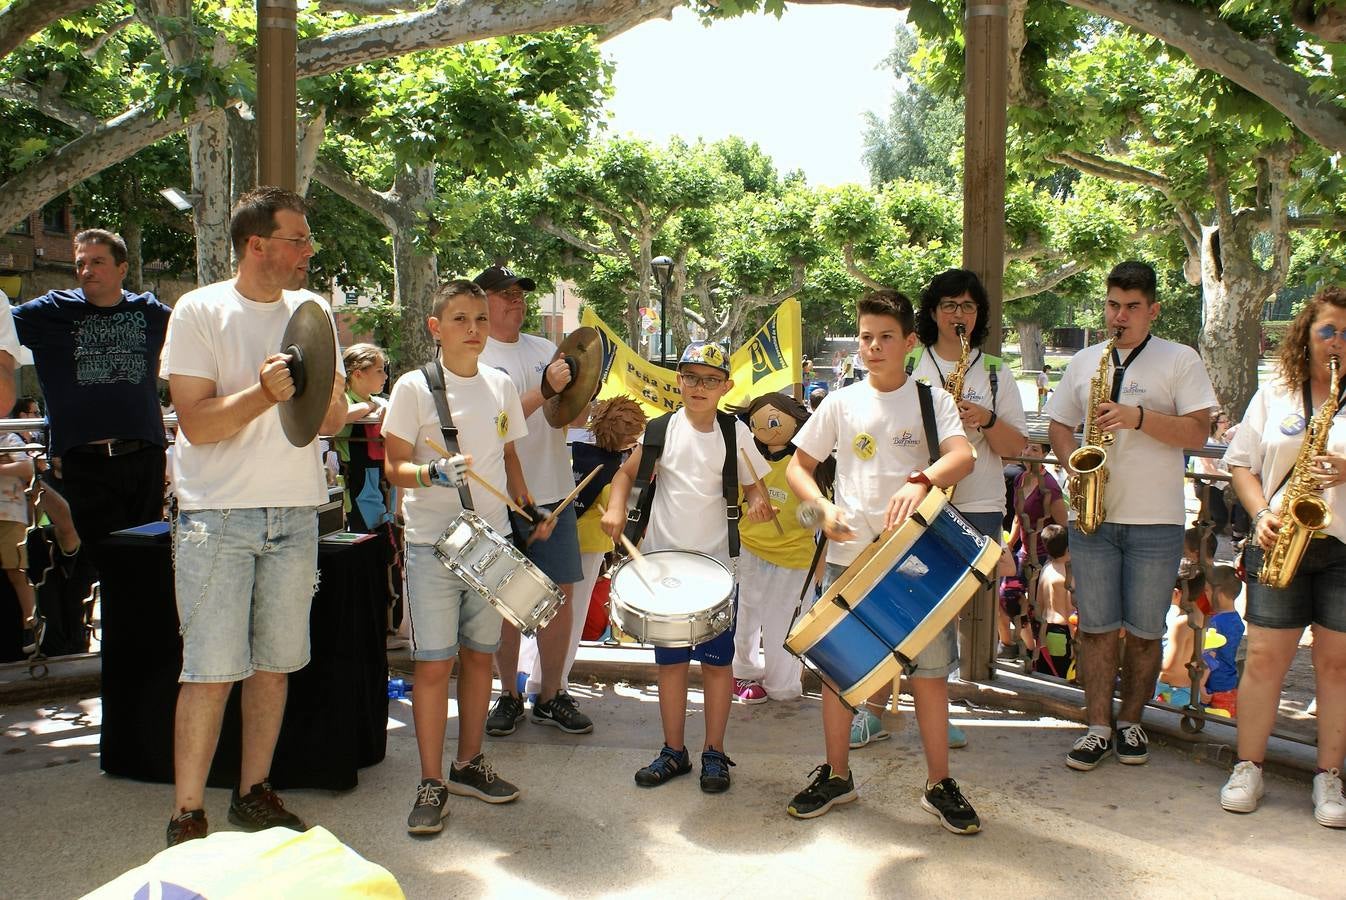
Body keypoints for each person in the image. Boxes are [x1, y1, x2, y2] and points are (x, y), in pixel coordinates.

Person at [162, 187, 348, 847]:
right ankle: (188, 814)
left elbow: (331, 419)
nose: (307, 251)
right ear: (257, 244)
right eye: (298, 239)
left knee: (274, 665)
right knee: (210, 669)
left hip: (296, 514)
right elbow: (198, 423)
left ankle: (253, 793)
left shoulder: (312, 310)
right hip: (218, 517)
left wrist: (322, 396)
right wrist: (261, 394)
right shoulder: (199, 309)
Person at [783, 288, 981, 833]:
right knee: (837, 672)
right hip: (849, 558)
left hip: (918, 561)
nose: (873, 347)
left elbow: (961, 457)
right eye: (866, 336)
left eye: (886, 337)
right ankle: (837, 774)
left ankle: (939, 783)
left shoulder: (931, 400)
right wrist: (820, 506)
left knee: (931, 675)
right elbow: (799, 467)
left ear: (910, 343)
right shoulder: (839, 402)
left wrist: (922, 480)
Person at [382, 278, 553, 836]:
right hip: (434, 545)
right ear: (436, 327)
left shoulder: (501, 385)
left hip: (493, 542)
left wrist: (529, 512)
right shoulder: (412, 388)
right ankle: (431, 781)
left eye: (480, 319)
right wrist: (429, 473)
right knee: (434, 666)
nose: (474, 330)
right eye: (460, 319)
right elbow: (394, 467)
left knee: (481, 657)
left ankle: (468, 764)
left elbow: (508, 460)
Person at [1046, 260, 1215, 773]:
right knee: (1095, 629)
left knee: (1145, 632)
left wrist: (1137, 417)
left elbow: (1198, 434)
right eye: (1113, 305)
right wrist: (1071, 466)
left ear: (1153, 310)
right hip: (1094, 516)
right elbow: (1058, 423)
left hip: (1156, 520)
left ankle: (1132, 720)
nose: (1119, 316)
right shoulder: (1085, 362)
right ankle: (1098, 727)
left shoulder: (1179, 359)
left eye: (1132, 307)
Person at [601, 341, 773, 794]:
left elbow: (755, 488)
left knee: (718, 666)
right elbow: (623, 474)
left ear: (726, 386)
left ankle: (714, 750)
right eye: (691, 377)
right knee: (671, 664)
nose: (699, 386)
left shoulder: (735, 434)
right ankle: (673, 750)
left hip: (716, 570)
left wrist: (757, 503)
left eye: (710, 379)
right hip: (664, 569)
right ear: (678, 380)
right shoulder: (659, 430)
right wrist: (616, 509)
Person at [1220, 284, 1346, 828]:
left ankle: (1329, 776)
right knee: (1266, 660)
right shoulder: (1276, 391)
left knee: (1337, 667)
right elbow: (1242, 464)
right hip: (1280, 541)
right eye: (1328, 330)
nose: (1338, 341)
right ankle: (1249, 765)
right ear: (1307, 335)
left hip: (1342, 545)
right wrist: (1262, 513)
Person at [898, 268, 1027, 736]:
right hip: (917, 496)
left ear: (979, 315)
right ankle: (879, 706)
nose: (959, 314)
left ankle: (938, 705)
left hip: (977, 501)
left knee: (949, 607)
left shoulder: (995, 371)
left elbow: (1017, 447)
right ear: (933, 312)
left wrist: (987, 419)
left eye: (968, 306)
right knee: (904, 598)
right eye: (950, 305)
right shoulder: (911, 364)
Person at [476, 266, 593, 737]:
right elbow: (491, 424)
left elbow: (570, 416)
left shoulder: (547, 349)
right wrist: (545, 388)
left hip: (553, 490)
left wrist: (587, 396)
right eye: (505, 295)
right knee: (504, 601)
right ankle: (507, 693)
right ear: (482, 300)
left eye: (521, 293)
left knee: (559, 599)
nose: (516, 301)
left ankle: (552, 693)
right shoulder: (475, 355)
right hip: (498, 496)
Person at [12, 229, 170, 567]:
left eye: (97, 262)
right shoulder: (51, 310)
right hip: (85, 464)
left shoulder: (150, 312)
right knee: (102, 565)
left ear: (122, 268)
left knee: (146, 561)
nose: (87, 271)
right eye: (81, 263)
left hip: (144, 459)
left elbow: (199, 333)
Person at [522, 396, 647, 698]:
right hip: (588, 543)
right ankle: (550, 682)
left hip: (547, 531)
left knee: (537, 608)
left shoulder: (564, 442)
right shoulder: (613, 462)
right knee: (571, 616)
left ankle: (526, 670)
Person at [730, 392, 830, 703]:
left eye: (774, 420)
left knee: (784, 622)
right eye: (757, 422)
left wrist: (820, 563)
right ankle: (742, 673)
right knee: (745, 617)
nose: (766, 428)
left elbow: (820, 515)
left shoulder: (804, 464)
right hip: (750, 549)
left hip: (795, 556)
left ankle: (782, 683)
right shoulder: (746, 460)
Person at [334, 343, 391, 534]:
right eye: (379, 371)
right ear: (358, 374)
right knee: (366, 533)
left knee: (385, 532)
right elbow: (337, 417)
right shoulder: (344, 400)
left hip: (381, 477)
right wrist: (368, 408)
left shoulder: (380, 401)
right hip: (357, 481)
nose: (385, 376)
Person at [1155, 562, 1206, 709]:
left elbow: (1169, 666)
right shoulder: (1199, 615)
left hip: (1170, 693)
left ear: (1177, 593)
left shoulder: (1181, 623)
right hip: (1188, 690)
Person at [1202, 564, 1244, 716]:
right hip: (1229, 681)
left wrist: (1199, 686)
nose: (1205, 595)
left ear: (1218, 592)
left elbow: (1209, 657)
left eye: (1206, 590)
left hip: (1213, 684)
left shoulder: (1215, 623)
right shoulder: (1237, 620)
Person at [1034, 524, 1075, 678]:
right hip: (1063, 632)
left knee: (1047, 674)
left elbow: (1038, 603)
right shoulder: (1068, 575)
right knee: (1064, 676)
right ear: (1068, 546)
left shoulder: (1046, 569)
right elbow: (1071, 610)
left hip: (1046, 631)